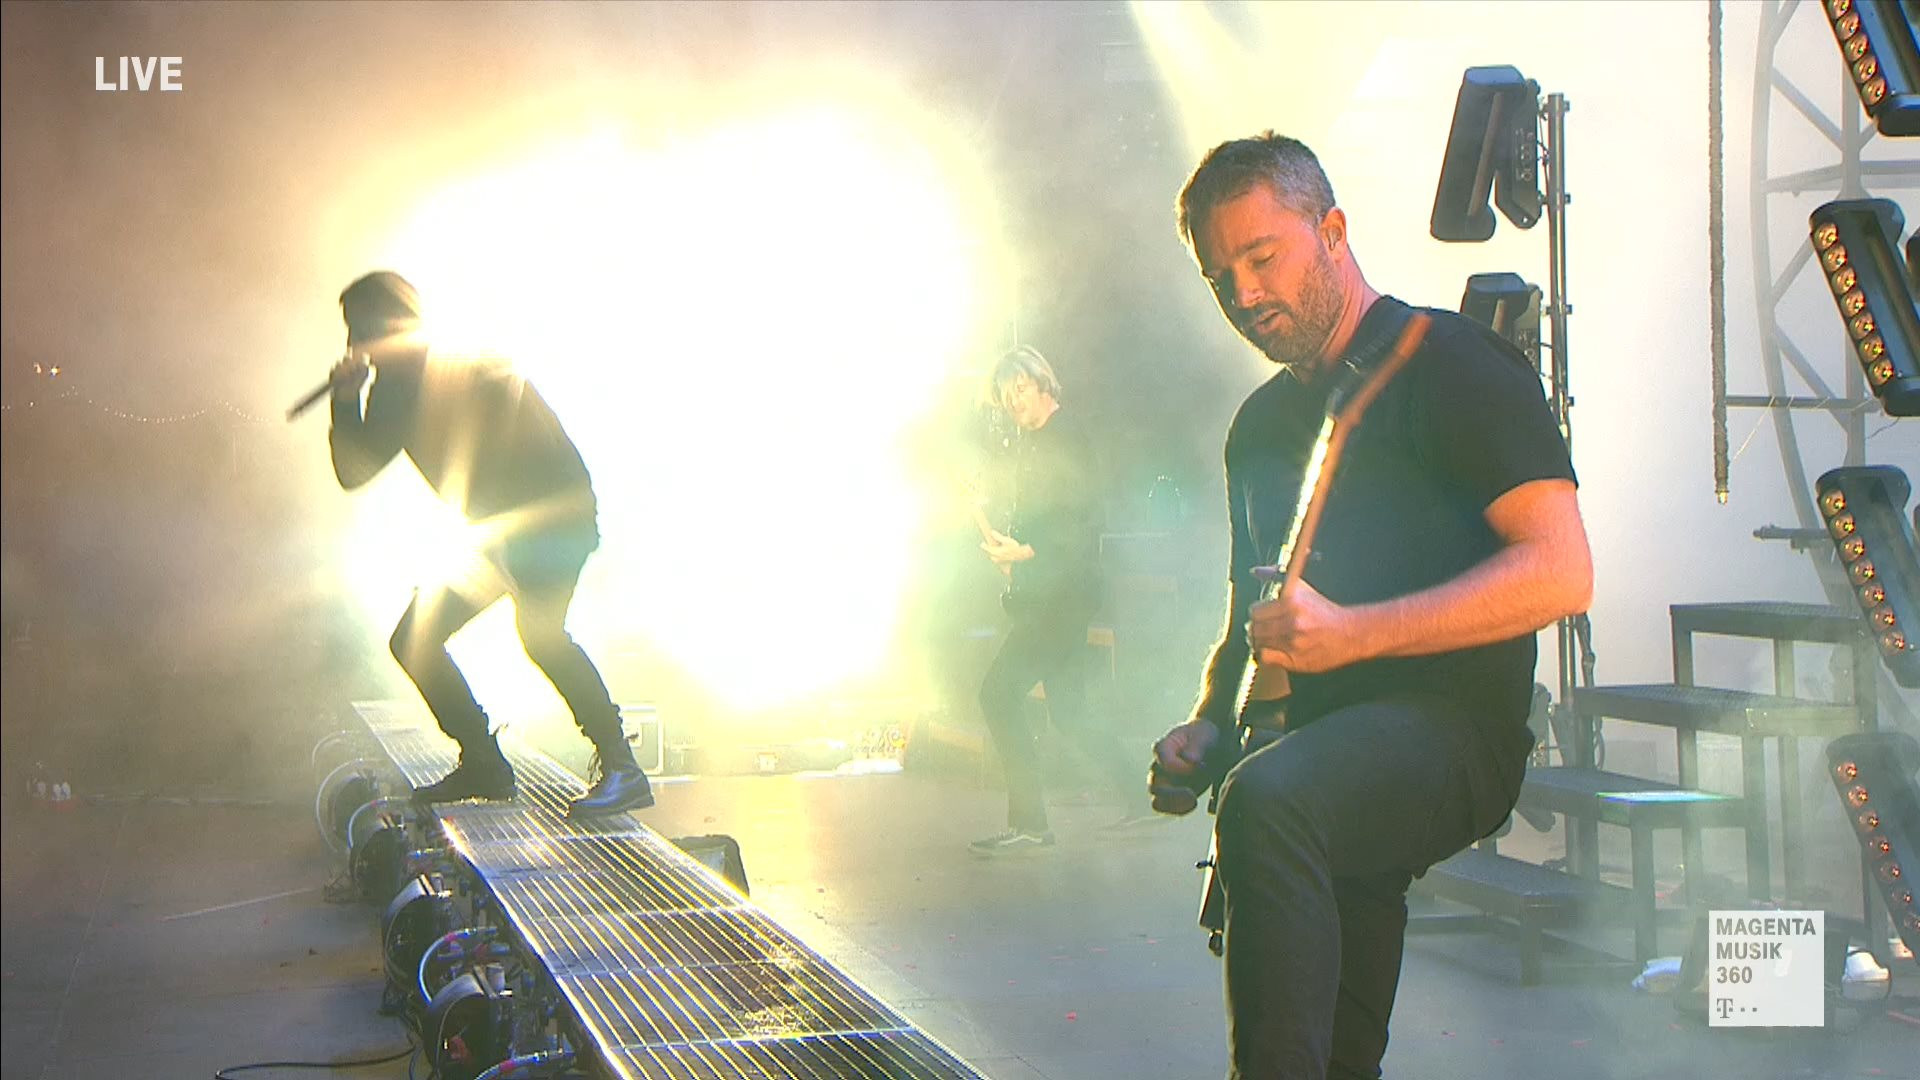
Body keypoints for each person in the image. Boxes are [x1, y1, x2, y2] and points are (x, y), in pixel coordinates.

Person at [1147, 135, 1593, 1078]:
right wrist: (1210, 723)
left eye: (1263, 256)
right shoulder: (1258, 427)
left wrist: (1354, 636)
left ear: (1334, 231)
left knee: (1272, 804)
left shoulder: (1456, 365)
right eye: (1222, 278)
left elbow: (1561, 572)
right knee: (1340, 1049)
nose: (1245, 295)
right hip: (1317, 750)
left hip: (1452, 733)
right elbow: (1252, 615)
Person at [327, 271, 652, 817]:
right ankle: (483, 761)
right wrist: (347, 399)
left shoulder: (447, 371)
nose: (353, 343)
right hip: (507, 529)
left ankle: (622, 766)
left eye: (358, 329)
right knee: (416, 639)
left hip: (551, 519)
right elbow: (354, 470)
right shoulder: (401, 385)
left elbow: (522, 444)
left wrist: (343, 398)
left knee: (540, 634)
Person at [970, 345, 1150, 856]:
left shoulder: (1067, 438)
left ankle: (1030, 823)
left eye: (1020, 389)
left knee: (998, 694)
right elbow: (1049, 527)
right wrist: (1014, 555)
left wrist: (1026, 552)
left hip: (1063, 599)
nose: (1014, 402)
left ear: (1042, 383)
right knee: (1070, 711)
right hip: (1055, 594)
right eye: (1006, 396)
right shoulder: (1036, 446)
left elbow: (1082, 521)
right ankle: (1146, 796)